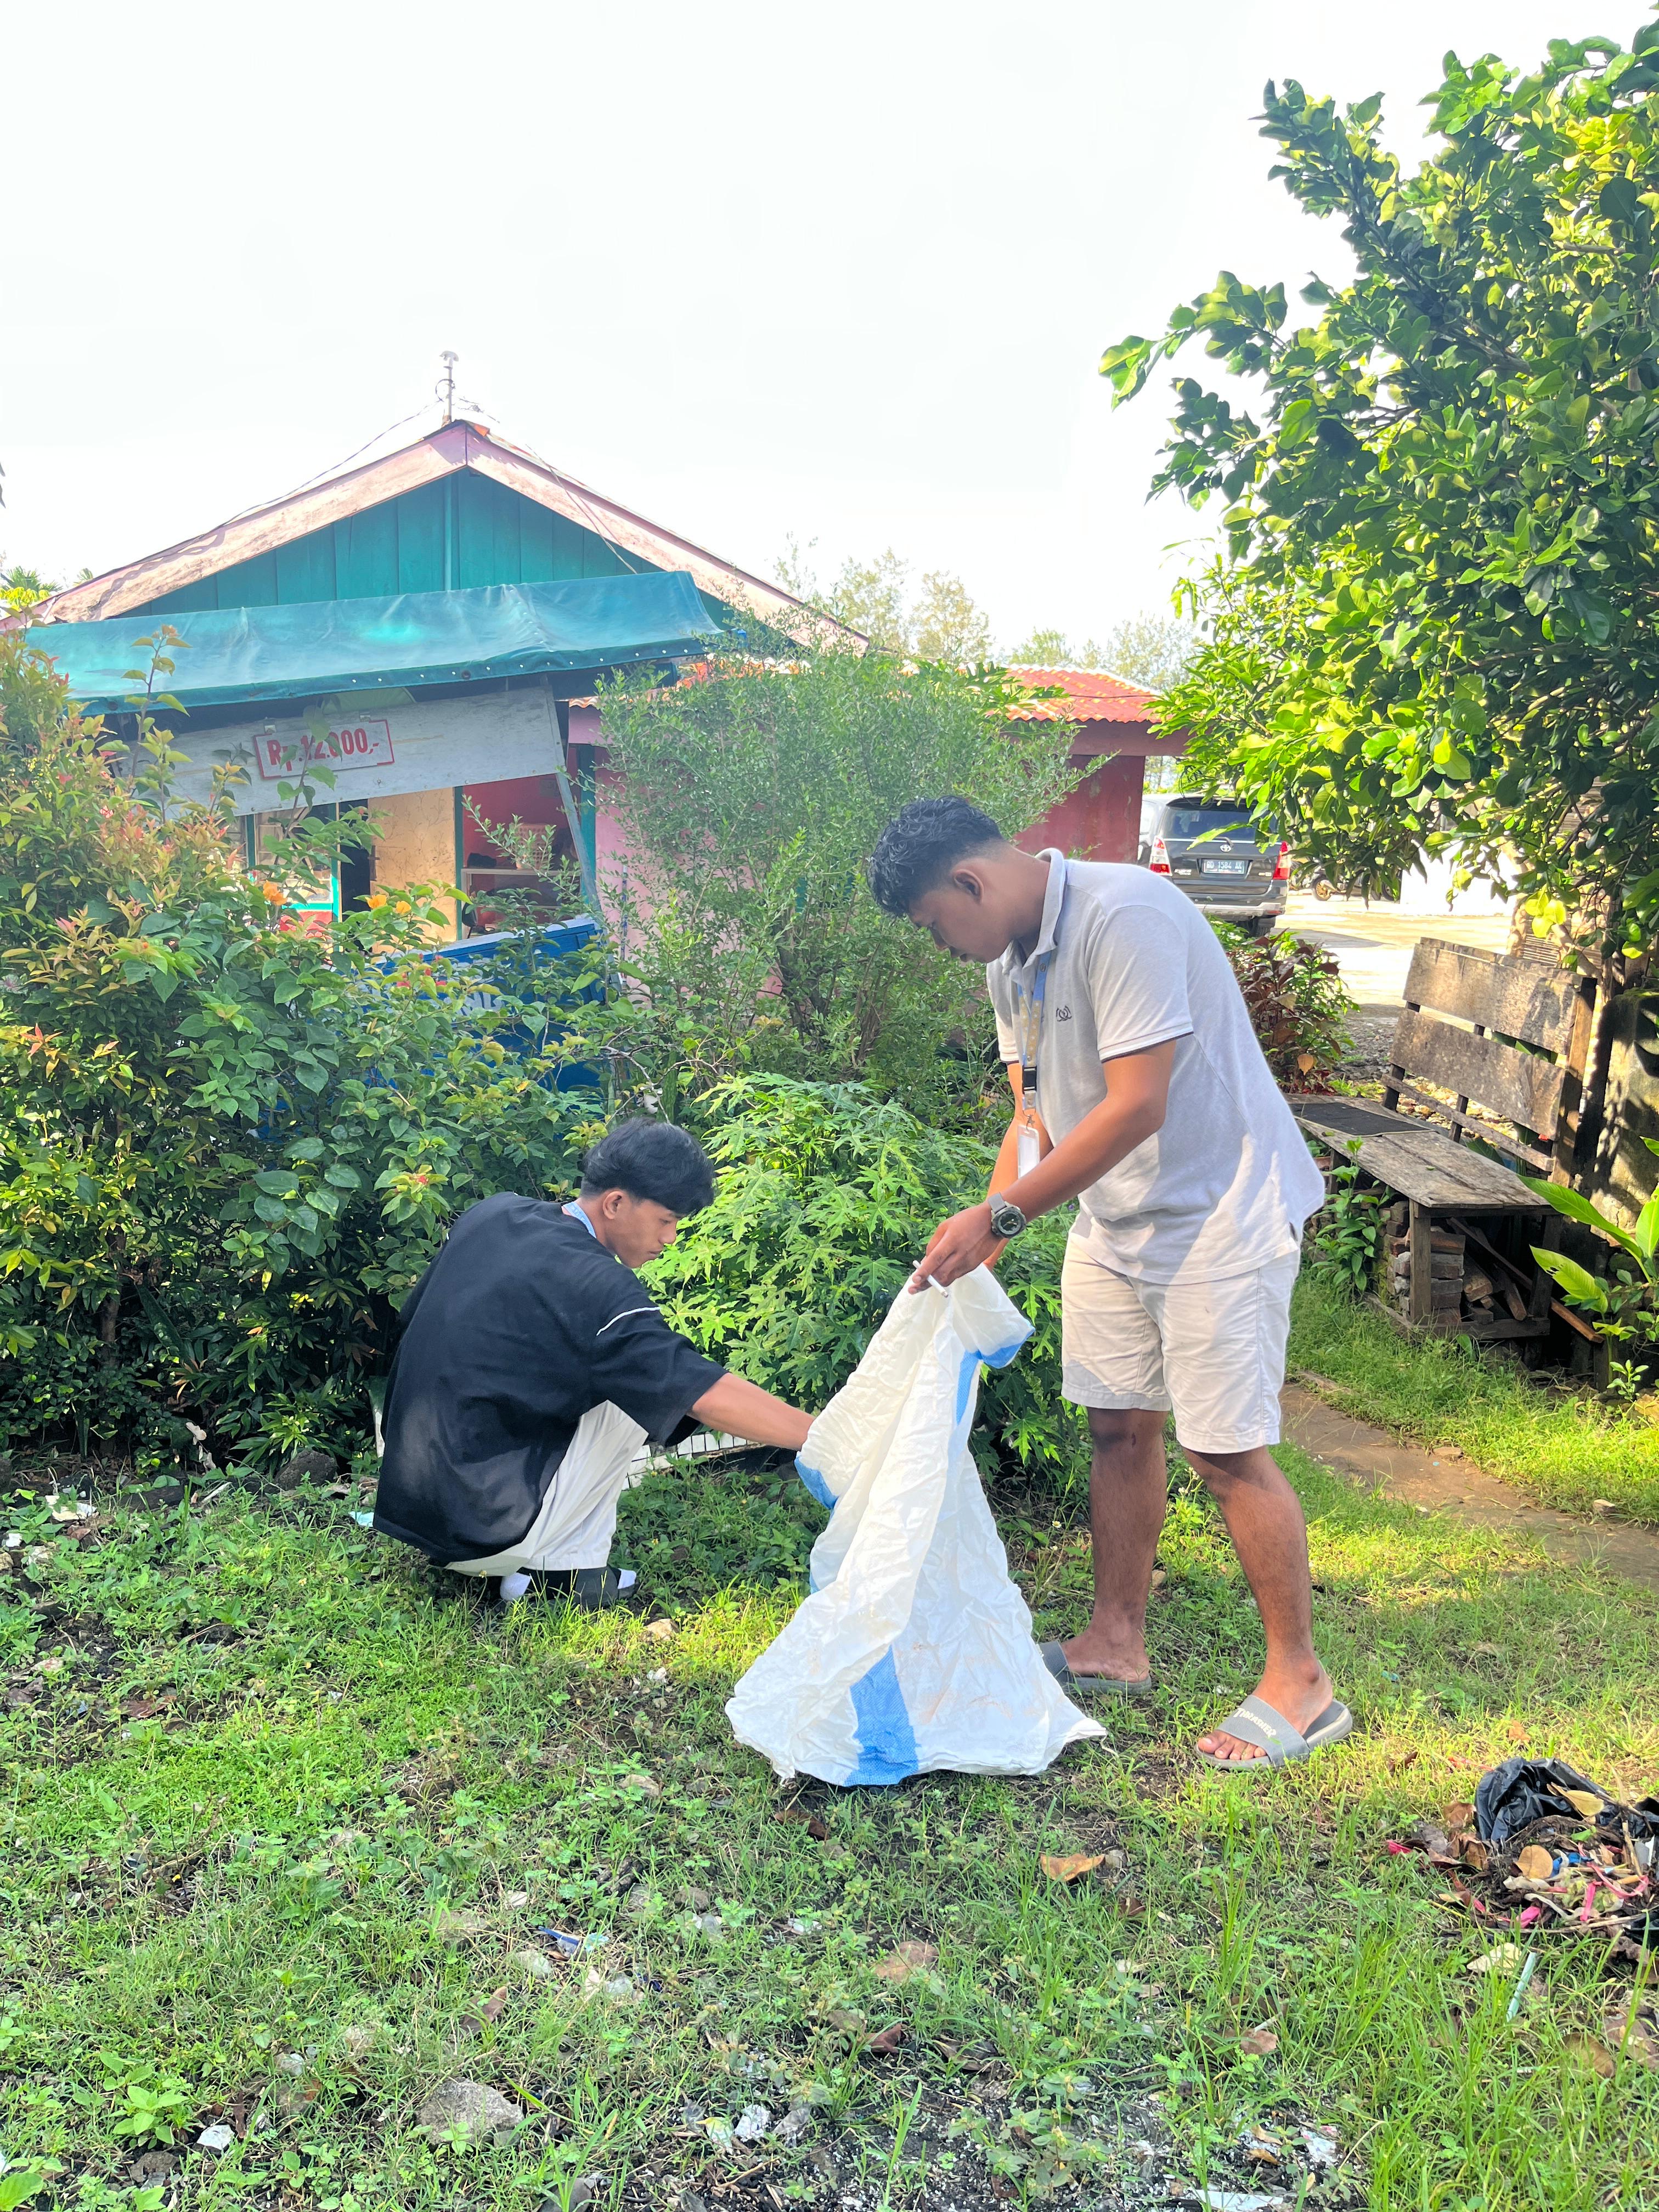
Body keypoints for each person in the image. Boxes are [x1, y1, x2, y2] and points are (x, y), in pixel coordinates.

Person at [866, 798, 1349, 1772]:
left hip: (1221, 1209)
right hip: (1115, 1218)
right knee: (1115, 1422)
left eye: (932, 922)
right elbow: (1031, 1118)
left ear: (969, 883)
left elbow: (1136, 1105)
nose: (939, 943)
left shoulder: (1122, 914)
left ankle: (1300, 1682)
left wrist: (1002, 1217)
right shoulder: (1011, 962)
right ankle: (1112, 1643)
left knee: (1222, 1451)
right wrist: (981, 1237)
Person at [374, 1120, 813, 1607]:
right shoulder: (598, 1284)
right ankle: (559, 1577)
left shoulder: (493, 1214)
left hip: (411, 1498)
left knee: (624, 1370)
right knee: (642, 1391)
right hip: (480, 1528)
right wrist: (829, 1438)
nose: (670, 1238)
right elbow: (701, 1393)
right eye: (666, 1220)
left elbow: (413, 1318)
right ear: (616, 1203)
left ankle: (536, 1555)